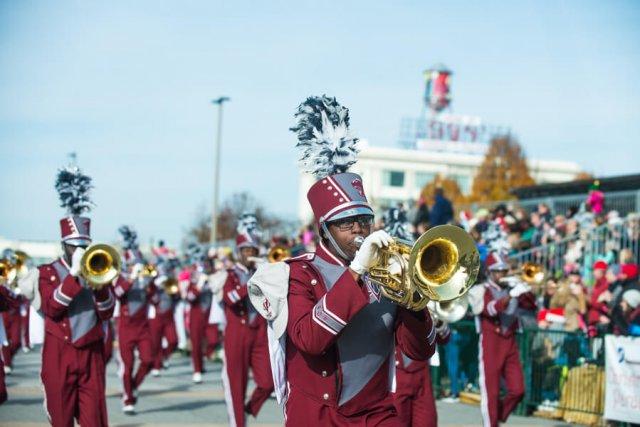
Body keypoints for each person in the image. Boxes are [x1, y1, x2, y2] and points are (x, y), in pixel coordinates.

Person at [248, 96, 435, 426]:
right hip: (318, 416)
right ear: (325, 229)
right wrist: (357, 272)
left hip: (378, 413)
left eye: (364, 220)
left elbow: (420, 351)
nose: (359, 230)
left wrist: (415, 297)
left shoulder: (387, 273)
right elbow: (309, 339)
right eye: (347, 223)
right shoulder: (297, 273)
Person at [37, 165, 115, 426]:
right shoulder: (48, 272)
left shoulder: (99, 267)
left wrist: (100, 285)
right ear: (64, 246)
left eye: (84, 245)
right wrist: (73, 277)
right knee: (61, 420)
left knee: (95, 420)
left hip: (91, 352)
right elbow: (52, 308)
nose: (80, 251)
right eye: (74, 246)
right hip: (60, 353)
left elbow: (107, 313)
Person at [467, 251, 536, 427]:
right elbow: (490, 309)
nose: (501, 274)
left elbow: (531, 306)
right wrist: (511, 295)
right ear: (489, 272)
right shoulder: (481, 290)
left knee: (518, 389)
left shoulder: (512, 288)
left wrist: (526, 289)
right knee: (491, 391)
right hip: (491, 341)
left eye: (504, 270)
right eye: (497, 271)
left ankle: (497, 416)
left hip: (510, 341)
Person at [219, 222, 274, 427]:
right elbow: (230, 298)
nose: (250, 253)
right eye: (246, 250)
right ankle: (238, 422)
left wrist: (269, 271)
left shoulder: (262, 271)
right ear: (239, 252)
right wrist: (252, 282)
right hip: (237, 332)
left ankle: (250, 408)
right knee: (236, 384)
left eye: (253, 250)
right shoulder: (231, 274)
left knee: (268, 382)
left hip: (259, 330)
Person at [113, 227, 155, 414]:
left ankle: (134, 386)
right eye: (132, 264)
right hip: (126, 327)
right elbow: (118, 293)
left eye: (137, 263)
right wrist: (131, 277)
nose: (136, 266)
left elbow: (153, 298)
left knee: (148, 360)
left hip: (143, 326)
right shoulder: (120, 277)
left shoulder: (144, 278)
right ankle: (128, 398)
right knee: (127, 365)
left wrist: (151, 283)